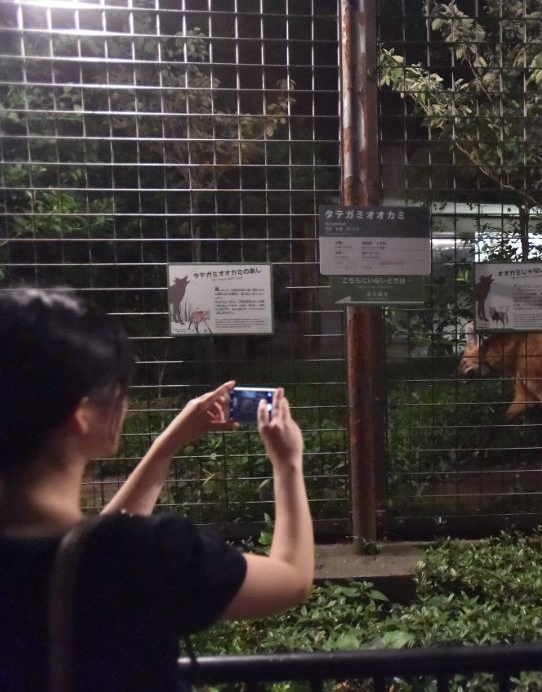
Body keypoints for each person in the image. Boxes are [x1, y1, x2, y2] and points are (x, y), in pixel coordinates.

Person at [0, 288, 315, 691]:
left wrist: (167, 445)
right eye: (118, 390)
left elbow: (84, 546)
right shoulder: (150, 554)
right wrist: (287, 463)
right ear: (80, 417)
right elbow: (291, 579)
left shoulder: (99, 554)